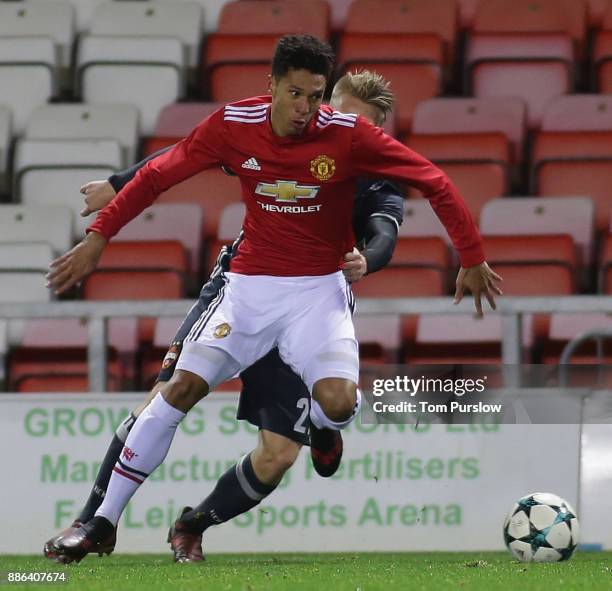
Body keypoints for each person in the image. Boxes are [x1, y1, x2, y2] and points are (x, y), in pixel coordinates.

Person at [46, 35, 501, 563]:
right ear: (273, 87)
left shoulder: (354, 144)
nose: (308, 110)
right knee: (175, 391)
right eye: (298, 96)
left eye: (315, 97)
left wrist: (469, 256)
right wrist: (101, 232)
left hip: (316, 295)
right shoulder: (237, 126)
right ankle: (99, 521)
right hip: (246, 290)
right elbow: (165, 169)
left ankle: (313, 442)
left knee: (328, 411)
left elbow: (429, 189)